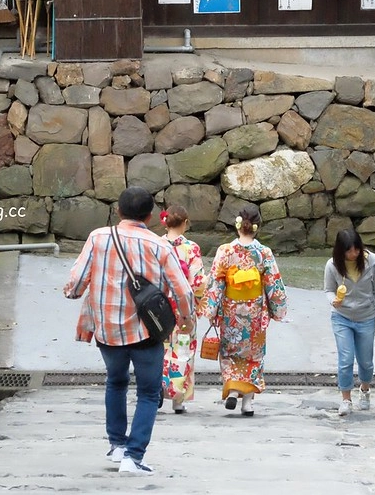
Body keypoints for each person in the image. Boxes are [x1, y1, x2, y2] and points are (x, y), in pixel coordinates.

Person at [63, 186, 193, 476]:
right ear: (150, 216)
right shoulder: (160, 246)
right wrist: (186, 318)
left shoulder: (98, 238)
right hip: (148, 331)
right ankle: (133, 457)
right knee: (148, 393)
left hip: (107, 330)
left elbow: (74, 285)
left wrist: (80, 289)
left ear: (119, 211)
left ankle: (117, 445)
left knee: (116, 382)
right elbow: (182, 289)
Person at [198, 204, 287, 416]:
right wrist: (277, 309)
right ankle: (248, 402)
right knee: (253, 355)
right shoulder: (263, 252)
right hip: (255, 311)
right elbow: (273, 284)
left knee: (229, 352)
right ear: (257, 227)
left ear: (238, 225)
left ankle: (232, 389)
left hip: (231, 311)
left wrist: (211, 310)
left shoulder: (225, 251)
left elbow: (216, 284)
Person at [324, 229, 375, 416]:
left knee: (366, 362)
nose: (353, 254)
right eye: (349, 251)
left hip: (366, 317)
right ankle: (346, 399)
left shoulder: (372, 262)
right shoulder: (332, 265)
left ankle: (365, 389)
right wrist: (333, 299)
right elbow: (328, 289)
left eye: (356, 250)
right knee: (345, 359)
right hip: (341, 317)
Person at [160, 205, 207, 414]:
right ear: (185, 223)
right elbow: (198, 282)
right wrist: (198, 303)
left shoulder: (155, 245)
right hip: (183, 307)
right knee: (182, 351)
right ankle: (177, 400)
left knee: (159, 350)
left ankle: (156, 391)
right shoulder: (191, 248)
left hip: (158, 306)